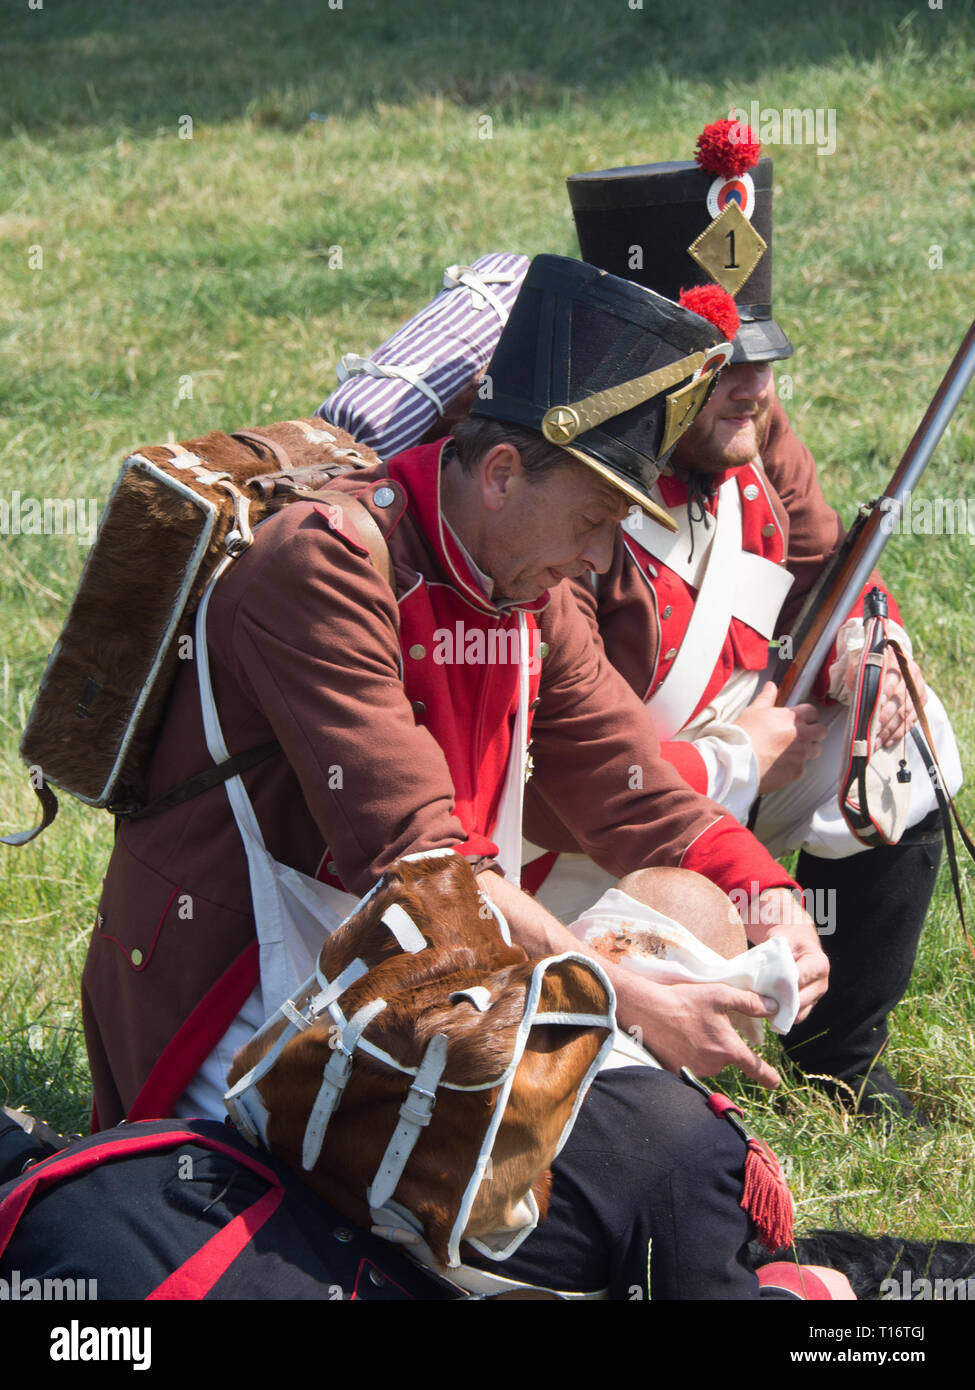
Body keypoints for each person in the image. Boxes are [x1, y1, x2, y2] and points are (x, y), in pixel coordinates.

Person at [81, 253, 829, 1148]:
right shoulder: (322, 564)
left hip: (439, 950)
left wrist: (767, 892)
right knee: (625, 1146)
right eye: (595, 520)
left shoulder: (532, 588)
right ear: (503, 474)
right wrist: (613, 992)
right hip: (259, 998)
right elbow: (419, 867)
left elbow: (627, 785)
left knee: (692, 907)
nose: (599, 559)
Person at [526, 120, 962, 1121]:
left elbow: (827, 573)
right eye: (720, 362)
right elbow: (562, 781)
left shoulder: (750, 424)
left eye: (759, 356)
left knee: (904, 740)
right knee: (653, 1079)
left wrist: (871, 644)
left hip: (737, 762)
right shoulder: (563, 513)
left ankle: (839, 1061)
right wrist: (735, 759)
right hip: (592, 838)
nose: (757, 385)